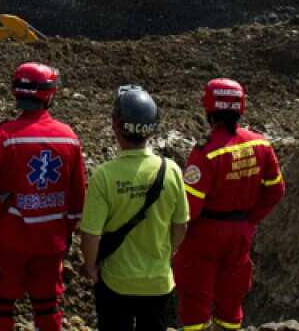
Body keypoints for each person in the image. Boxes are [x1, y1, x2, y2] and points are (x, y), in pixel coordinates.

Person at [0, 63, 85, 331]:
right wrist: (67, 227)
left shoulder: (6, 134)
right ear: (49, 94)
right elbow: (78, 193)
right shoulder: (68, 137)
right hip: (50, 239)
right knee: (48, 306)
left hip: (8, 238)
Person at [175, 79, 285, 331]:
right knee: (232, 298)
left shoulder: (206, 152)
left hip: (204, 236)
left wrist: (174, 239)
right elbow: (276, 190)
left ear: (209, 109)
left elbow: (190, 209)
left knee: (195, 301)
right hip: (241, 233)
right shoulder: (260, 145)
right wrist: (250, 220)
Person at [80, 86, 189, 331]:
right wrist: (165, 255)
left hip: (115, 282)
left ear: (115, 125)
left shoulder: (104, 176)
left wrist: (91, 268)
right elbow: (181, 225)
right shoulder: (171, 170)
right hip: (158, 282)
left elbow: (90, 235)